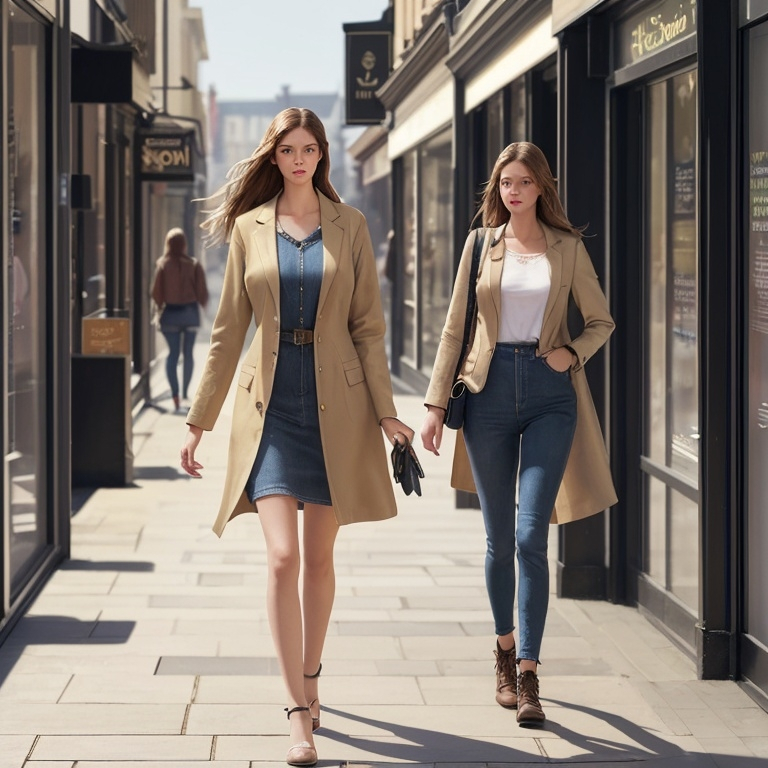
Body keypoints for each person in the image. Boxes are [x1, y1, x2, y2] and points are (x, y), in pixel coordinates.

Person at [179, 107, 414, 767]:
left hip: (337, 407)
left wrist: (387, 413)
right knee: (282, 558)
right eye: (289, 149)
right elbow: (228, 331)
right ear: (274, 157)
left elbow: (369, 328)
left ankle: (312, 676)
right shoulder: (250, 229)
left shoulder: (354, 226)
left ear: (323, 156)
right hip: (271, 408)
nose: (301, 159)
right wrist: (199, 419)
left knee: (318, 559)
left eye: (311, 148)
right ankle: (297, 713)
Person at [420, 142, 616, 727]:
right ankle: (503, 650)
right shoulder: (481, 245)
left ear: (541, 189)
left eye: (524, 182)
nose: (513, 191)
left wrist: (571, 354)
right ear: (497, 189)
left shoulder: (568, 248)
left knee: (532, 534)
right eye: (506, 182)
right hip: (487, 391)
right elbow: (456, 327)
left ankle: (529, 671)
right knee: (498, 535)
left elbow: (601, 320)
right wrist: (433, 404)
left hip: (552, 394)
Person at [151, 228, 209, 411]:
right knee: (189, 354)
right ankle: (185, 393)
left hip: (170, 315)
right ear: (184, 244)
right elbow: (202, 293)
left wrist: (160, 307)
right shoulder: (193, 264)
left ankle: (175, 395)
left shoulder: (162, 264)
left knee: (173, 354)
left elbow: (156, 293)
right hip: (190, 313)